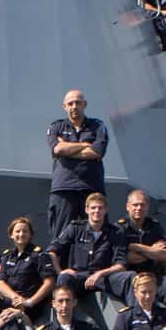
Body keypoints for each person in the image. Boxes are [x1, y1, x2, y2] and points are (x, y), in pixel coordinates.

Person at [44, 90, 110, 237]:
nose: (74, 106)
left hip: (91, 187)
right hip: (64, 188)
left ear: (84, 104)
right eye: (70, 103)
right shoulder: (56, 127)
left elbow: (97, 152)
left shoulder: (98, 126)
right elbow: (57, 149)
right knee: (61, 236)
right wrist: (85, 144)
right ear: (64, 107)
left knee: (98, 235)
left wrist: (67, 147)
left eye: (78, 103)